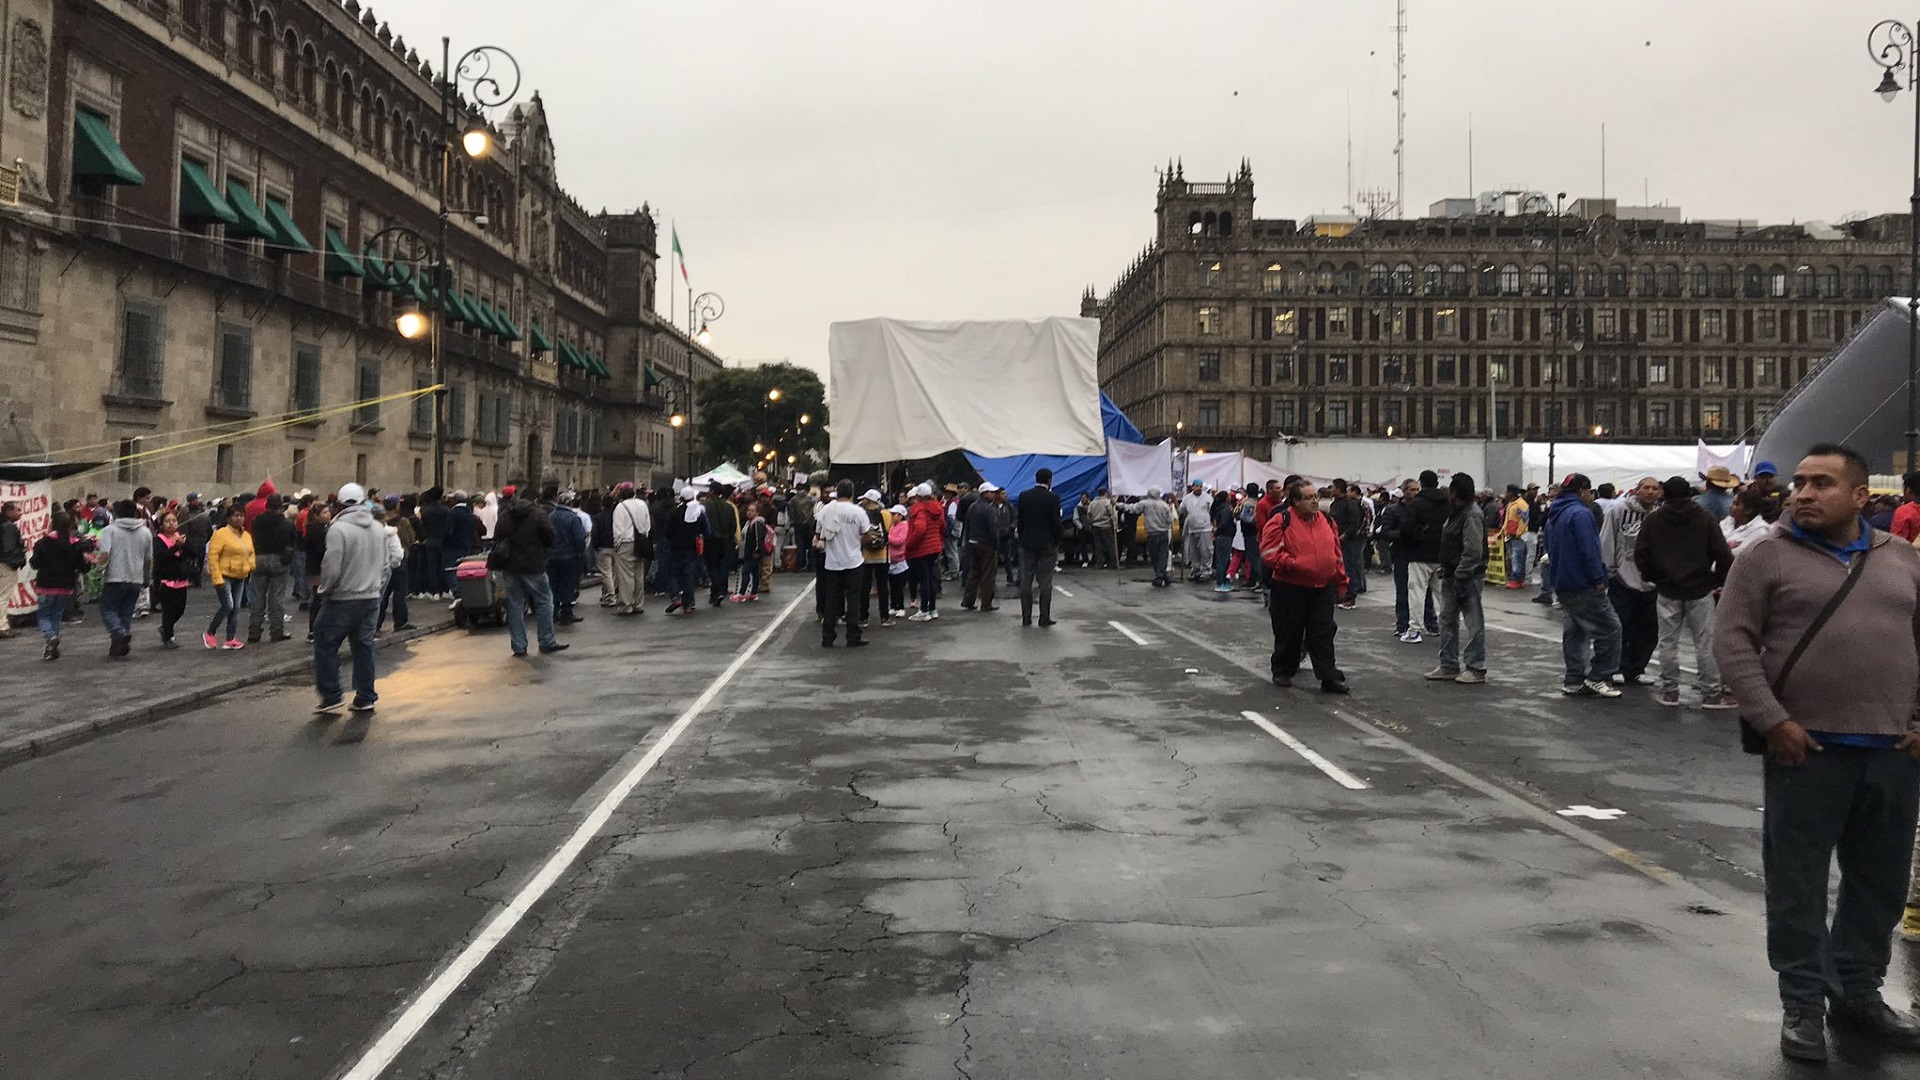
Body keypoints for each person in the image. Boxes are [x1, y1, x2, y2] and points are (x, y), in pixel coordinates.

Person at [1714, 443, 1920, 1063]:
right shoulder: (1764, 556)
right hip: (1807, 751)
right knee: (1797, 883)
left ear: (1860, 496)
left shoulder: (1902, 557)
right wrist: (1773, 721)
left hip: (1894, 753)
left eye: (1822, 483)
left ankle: (1859, 992)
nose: (1804, 493)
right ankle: (1802, 1001)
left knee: (1879, 882)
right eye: (1800, 482)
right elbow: (1733, 642)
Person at [1633, 476, 1737, 709]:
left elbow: (1641, 554)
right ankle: (1711, 693)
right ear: (1689, 494)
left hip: (1667, 589)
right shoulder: (1705, 519)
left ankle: (1669, 691)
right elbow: (1722, 554)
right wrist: (1716, 579)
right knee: (1705, 643)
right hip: (1700, 588)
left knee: (1668, 642)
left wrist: (1655, 576)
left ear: (1664, 494)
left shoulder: (1653, 520)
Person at [311, 483, 400, 714]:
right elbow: (386, 564)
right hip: (370, 595)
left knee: (325, 641)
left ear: (339, 504)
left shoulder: (338, 529)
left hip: (342, 597)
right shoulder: (378, 528)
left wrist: (325, 589)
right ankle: (365, 696)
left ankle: (331, 694)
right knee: (364, 645)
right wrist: (376, 586)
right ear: (362, 502)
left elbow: (332, 565)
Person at [1261, 479, 1348, 694]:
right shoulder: (1281, 520)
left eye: (1315, 497)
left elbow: (1336, 554)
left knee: (1323, 632)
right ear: (1295, 501)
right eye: (1308, 498)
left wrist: (1341, 581)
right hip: (1290, 587)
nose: (1314, 501)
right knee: (1289, 631)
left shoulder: (1327, 521)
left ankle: (1328, 676)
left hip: (1322, 588)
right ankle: (1283, 670)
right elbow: (1269, 553)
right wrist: (1294, 564)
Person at [1544, 474, 1622, 697]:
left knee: (1575, 631)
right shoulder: (1580, 514)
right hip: (1582, 582)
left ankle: (1574, 678)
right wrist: (1599, 578)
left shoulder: (1554, 514)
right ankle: (1599, 676)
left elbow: (1549, 548)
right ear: (1582, 491)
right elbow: (1590, 550)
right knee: (1610, 629)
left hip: (1563, 581)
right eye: (1589, 491)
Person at [1427, 474, 1488, 685]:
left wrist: (1460, 573)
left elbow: (1473, 551)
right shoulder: (1458, 513)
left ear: (1454, 493)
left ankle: (1475, 667)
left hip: (1466, 577)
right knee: (1447, 620)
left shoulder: (1470, 515)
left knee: (1473, 623)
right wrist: (1447, 567)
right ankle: (1449, 664)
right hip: (1454, 574)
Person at [1602, 476, 1662, 687]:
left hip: (1651, 582)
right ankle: (1618, 667)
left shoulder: (1659, 515)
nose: (1650, 492)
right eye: (1646, 487)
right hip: (1623, 578)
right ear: (1637, 490)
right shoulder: (1619, 511)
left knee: (1647, 628)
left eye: (1655, 488)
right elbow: (1607, 539)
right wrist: (1610, 569)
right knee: (1622, 625)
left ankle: (1637, 668)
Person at [492, 488, 567, 655]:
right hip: (533, 564)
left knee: (515, 604)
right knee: (544, 601)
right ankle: (546, 640)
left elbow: (497, 536)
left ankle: (519, 645)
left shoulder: (506, 514)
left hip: (510, 565)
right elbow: (550, 536)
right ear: (535, 500)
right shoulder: (538, 514)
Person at [815, 479, 872, 648]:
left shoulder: (826, 510)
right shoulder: (858, 512)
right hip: (853, 560)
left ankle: (827, 636)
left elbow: (818, 534)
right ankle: (853, 635)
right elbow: (867, 535)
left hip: (832, 561)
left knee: (831, 599)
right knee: (853, 598)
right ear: (852, 493)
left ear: (837, 493)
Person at [28, 511, 92, 660]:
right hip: (66, 585)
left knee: (44, 615)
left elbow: (34, 563)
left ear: (52, 524)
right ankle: (51, 647)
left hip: (46, 584)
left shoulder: (43, 543)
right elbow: (81, 566)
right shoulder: (74, 544)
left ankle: (50, 637)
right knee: (56, 615)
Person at [94, 500, 151, 658]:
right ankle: (119, 644)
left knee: (108, 609)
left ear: (116, 513)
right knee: (126, 611)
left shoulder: (109, 530)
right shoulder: (145, 532)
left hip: (115, 577)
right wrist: (147, 578)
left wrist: (98, 572)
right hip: (136, 578)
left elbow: (104, 555)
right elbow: (148, 560)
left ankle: (119, 633)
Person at [1399, 470, 1450, 644]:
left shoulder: (1416, 504)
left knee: (1417, 592)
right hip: (1442, 555)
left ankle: (1414, 630)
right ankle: (1450, 626)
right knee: (1443, 594)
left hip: (1419, 554)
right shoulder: (1447, 503)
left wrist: (1410, 547)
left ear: (1421, 483)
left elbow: (1406, 529)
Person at [1016, 468, 1064, 627]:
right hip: (1046, 544)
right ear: (1049, 480)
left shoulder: (1024, 496)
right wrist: (1056, 541)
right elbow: (1056, 522)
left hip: (1027, 543)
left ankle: (1026, 616)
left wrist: (1022, 538)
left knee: (1026, 580)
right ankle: (1044, 616)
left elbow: (1020, 521)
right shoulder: (1053, 498)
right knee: (1045, 581)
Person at [204, 504, 254, 649]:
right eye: (236, 515)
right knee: (228, 605)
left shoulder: (246, 535)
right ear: (229, 518)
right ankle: (210, 632)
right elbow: (213, 556)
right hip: (224, 574)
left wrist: (250, 566)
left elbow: (251, 553)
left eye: (242, 516)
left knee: (236, 608)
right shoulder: (221, 534)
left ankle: (230, 639)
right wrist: (216, 577)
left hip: (240, 575)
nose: (239, 518)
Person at [247, 493, 295, 643]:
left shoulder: (257, 522)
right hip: (279, 560)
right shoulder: (287, 524)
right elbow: (292, 542)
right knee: (276, 598)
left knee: (257, 597)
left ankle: (254, 631)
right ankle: (276, 631)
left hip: (259, 558)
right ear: (281, 506)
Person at [540, 486, 587, 625]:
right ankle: (566, 612)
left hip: (551, 556)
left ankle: (553, 613)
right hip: (569, 556)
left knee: (553, 584)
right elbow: (579, 538)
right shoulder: (573, 518)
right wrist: (580, 552)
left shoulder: (550, 517)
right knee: (567, 584)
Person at [659, 486, 706, 617]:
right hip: (692, 548)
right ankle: (688, 603)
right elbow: (704, 529)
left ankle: (675, 596)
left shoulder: (675, 512)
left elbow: (667, 531)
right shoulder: (698, 513)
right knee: (688, 576)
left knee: (673, 573)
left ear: (681, 498)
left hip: (676, 548)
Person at [904, 482, 946, 621]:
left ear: (918, 496)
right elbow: (943, 526)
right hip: (934, 546)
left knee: (924, 580)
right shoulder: (937, 507)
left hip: (922, 548)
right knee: (930, 578)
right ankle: (932, 609)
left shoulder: (919, 509)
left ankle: (923, 610)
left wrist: (909, 544)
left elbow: (920, 528)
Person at [609, 483, 651, 616]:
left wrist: (617, 545)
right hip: (640, 542)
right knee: (639, 574)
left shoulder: (620, 507)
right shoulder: (642, 504)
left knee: (626, 576)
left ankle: (626, 604)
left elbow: (618, 529)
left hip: (626, 542)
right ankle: (638, 603)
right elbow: (647, 525)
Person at [151, 512, 191, 649]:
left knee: (180, 609)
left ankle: (165, 627)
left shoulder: (180, 537)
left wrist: (183, 545)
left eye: (174, 520)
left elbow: (192, 553)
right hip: (165, 580)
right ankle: (168, 635)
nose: (171, 523)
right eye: (167, 521)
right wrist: (175, 547)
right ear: (162, 525)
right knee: (168, 610)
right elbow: (161, 557)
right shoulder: (158, 539)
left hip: (180, 579)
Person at [961, 482, 1002, 612]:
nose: (994, 495)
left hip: (973, 542)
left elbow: (967, 526)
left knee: (973, 573)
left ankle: (968, 600)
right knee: (988, 575)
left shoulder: (972, 507)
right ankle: (986, 602)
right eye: (992, 492)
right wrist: (996, 545)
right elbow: (993, 529)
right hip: (986, 544)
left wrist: (967, 542)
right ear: (985, 493)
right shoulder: (989, 509)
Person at [1328, 480, 1367, 608]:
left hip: (1347, 542)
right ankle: (1339, 595)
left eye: (1333, 487)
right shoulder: (1334, 504)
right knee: (1337, 568)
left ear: (1339, 488)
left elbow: (1354, 523)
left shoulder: (1350, 504)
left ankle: (1350, 596)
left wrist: (1344, 536)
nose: (1331, 490)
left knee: (1348, 568)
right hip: (1335, 540)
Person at [704, 483, 741, 607]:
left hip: (710, 540)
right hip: (725, 540)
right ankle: (716, 591)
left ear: (712, 491)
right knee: (721, 565)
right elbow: (733, 526)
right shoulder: (729, 507)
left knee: (712, 566)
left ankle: (716, 590)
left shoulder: (705, 506)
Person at [303, 502, 333, 641]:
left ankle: (316, 629)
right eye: (324, 513)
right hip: (318, 568)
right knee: (318, 599)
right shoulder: (316, 530)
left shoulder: (319, 528)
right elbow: (320, 550)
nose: (328, 515)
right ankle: (314, 629)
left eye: (328, 512)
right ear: (316, 516)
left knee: (318, 598)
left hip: (316, 568)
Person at [1136, 487, 1175, 587]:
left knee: (1154, 556)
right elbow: (1170, 520)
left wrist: (1118, 505)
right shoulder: (1164, 505)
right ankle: (1164, 576)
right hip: (1164, 533)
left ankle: (1160, 577)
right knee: (1163, 555)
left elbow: (1132, 508)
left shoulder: (1145, 503)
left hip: (1152, 534)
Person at [1723, 488, 1777, 555]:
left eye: (1736, 504)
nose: (1730, 506)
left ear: (1748, 510)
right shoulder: (1728, 521)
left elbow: (1741, 553)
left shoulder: (1760, 530)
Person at [736, 501, 771, 602]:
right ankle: (753, 593)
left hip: (752, 553)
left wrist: (757, 550)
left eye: (752, 511)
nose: (749, 512)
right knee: (755, 572)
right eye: (748, 510)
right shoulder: (749, 522)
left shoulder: (757, 523)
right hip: (748, 551)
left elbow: (758, 538)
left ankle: (742, 593)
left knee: (746, 572)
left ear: (757, 512)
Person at [1179, 481, 1213, 582]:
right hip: (1192, 528)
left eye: (1200, 486)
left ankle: (1206, 571)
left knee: (1205, 550)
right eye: (1197, 486)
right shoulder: (1187, 498)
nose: (1199, 488)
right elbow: (1182, 510)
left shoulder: (1207, 498)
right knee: (1193, 552)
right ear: (1192, 487)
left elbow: (1212, 510)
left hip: (1205, 528)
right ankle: (1196, 570)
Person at [1500, 484, 1530, 590]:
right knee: (1513, 557)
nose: (1505, 494)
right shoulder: (1511, 504)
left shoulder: (1521, 504)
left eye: (1507, 492)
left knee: (1517, 557)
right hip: (1510, 534)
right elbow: (1507, 519)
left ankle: (1516, 579)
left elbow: (1525, 519)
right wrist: (1503, 530)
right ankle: (1518, 578)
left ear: (1511, 493)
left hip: (1518, 536)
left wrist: (1519, 532)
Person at [0, 501, 23, 639]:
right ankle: (2, 627)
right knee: (3, 597)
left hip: (3, 563)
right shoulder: (8, 527)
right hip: (6, 565)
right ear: (9, 511)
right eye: (18, 510)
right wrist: (18, 560)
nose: (21, 513)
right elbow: (9, 549)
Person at [788, 485, 817, 572]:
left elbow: (791, 513)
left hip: (798, 525)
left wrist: (792, 522)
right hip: (810, 524)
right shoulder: (810, 499)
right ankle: (812, 565)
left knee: (800, 545)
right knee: (811, 545)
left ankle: (800, 565)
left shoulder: (793, 500)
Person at [1087, 489, 1117, 569]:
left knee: (1098, 545)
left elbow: (1089, 515)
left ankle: (1100, 563)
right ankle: (1113, 562)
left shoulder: (1092, 503)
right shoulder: (1107, 502)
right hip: (1106, 525)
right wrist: (1115, 524)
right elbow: (1112, 514)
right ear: (1105, 493)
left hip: (1095, 526)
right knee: (1110, 545)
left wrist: (1091, 523)